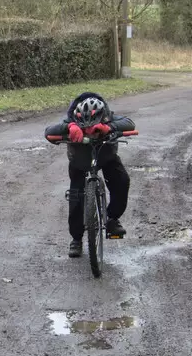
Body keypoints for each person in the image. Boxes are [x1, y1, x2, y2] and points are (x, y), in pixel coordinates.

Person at [45, 92, 136, 258]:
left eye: (92, 128)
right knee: (76, 198)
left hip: (106, 157)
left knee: (122, 181)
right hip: (79, 162)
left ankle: (112, 219)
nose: (89, 131)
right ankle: (76, 239)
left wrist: (109, 128)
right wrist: (69, 127)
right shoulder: (71, 120)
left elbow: (129, 123)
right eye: (84, 128)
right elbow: (49, 131)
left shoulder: (108, 118)